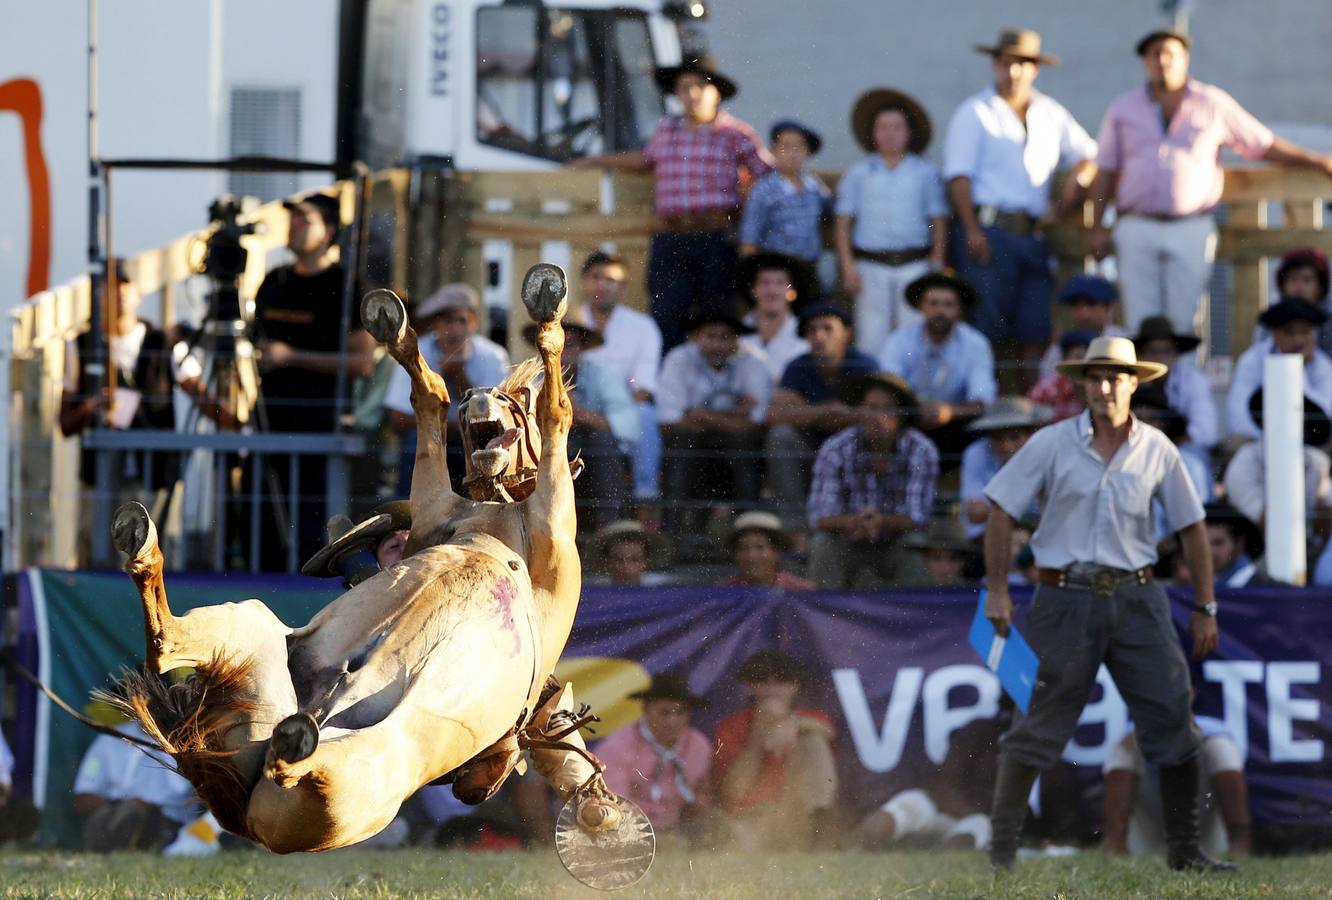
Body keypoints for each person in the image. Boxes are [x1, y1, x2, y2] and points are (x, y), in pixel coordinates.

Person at [981, 335, 1227, 873]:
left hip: (1138, 595)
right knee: (1036, 723)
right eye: (1095, 377)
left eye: (1117, 376)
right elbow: (1000, 507)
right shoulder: (1050, 441)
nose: (1105, 386)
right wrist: (997, 588)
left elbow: (1193, 528)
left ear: (1134, 383)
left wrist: (1205, 606)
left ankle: (1185, 851)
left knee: (1172, 716)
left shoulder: (1158, 448)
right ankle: (1000, 853)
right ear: (1083, 383)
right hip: (1062, 594)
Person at [1089, 29, 1332, 336]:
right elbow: (1104, 171)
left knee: (1187, 322)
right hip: (1137, 223)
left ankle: (1183, 385)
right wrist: (1098, 227)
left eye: (1170, 53)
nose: (1163, 61)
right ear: (1145, 62)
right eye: (1155, 54)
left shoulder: (1212, 102)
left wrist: (1315, 159)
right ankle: (1143, 385)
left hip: (1191, 224)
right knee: (1139, 320)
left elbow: (1261, 144)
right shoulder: (1123, 108)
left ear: (1185, 59)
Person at [573, 55, 772, 351]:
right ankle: (668, 387)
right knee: (666, 312)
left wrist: (745, 209)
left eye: (699, 87)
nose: (691, 94)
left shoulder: (735, 133)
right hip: (671, 234)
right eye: (684, 87)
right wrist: (596, 160)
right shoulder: (667, 128)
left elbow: (767, 175)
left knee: (716, 313)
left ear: (715, 93)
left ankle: (715, 390)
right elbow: (645, 159)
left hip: (715, 234)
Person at [943, 29, 1098, 389]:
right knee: (987, 326)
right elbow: (959, 177)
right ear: (996, 65)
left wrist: (1069, 196)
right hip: (990, 231)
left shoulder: (1050, 112)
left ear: (1035, 69)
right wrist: (970, 228)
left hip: (1033, 235)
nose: (1013, 72)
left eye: (1022, 64)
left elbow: (1088, 155)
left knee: (1035, 328)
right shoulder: (975, 112)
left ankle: (1030, 407)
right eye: (1007, 63)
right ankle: (991, 407)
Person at [248, 193, 376, 570]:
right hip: (269, 421)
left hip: (318, 423)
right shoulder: (274, 281)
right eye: (293, 220)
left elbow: (362, 362)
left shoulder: (347, 284)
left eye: (305, 220)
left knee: (310, 523)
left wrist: (292, 357)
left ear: (329, 231)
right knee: (263, 519)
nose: (295, 227)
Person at [59, 258, 178, 564]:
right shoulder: (81, 346)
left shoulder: (160, 342)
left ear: (138, 292)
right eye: (110, 287)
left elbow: (194, 388)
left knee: (149, 561)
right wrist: (91, 407)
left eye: (126, 285)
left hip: (149, 474)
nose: (119, 293)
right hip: (98, 477)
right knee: (95, 555)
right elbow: (66, 422)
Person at [858, 698, 1090, 854]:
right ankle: (862, 842)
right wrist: (983, 804)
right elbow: (942, 786)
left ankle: (943, 858)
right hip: (939, 812)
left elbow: (1066, 828)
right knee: (910, 805)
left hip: (981, 825)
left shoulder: (1054, 767)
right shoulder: (981, 731)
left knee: (981, 828)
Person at [835, 88, 947, 353]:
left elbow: (938, 220)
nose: (890, 134)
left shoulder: (924, 173)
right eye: (883, 127)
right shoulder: (859, 174)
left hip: (914, 264)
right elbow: (843, 223)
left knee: (914, 336)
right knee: (871, 338)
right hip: (871, 265)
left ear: (908, 133)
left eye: (897, 127)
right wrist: (848, 266)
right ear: (874, 134)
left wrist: (937, 263)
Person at [806, 372, 938, 590]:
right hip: (849, 539)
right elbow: (819, 515)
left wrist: (881, 521)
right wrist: (854, 521)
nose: (877, 416)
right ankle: (824, 618)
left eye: (886, 409)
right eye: (871, 407)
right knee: (822, 543)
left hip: (896, 543)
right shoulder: (836, 448)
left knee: (916, 543)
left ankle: (913, 617)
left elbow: (919, 517)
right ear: (859, 411)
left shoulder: (921, 451)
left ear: (902, 416)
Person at [383, 283, 510, 493]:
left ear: (474, 322)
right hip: (429, 441)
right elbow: (397, 419)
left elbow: (500, 423)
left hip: (474, 445)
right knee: (416, 441)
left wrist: (460, 379)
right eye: (447, 321)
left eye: (462, 321)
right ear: (436, 324)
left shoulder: (493, 357)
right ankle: (410, 512)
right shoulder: (415, 353)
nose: (455, 330)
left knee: (487, 447)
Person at [656, 305, 771, 533]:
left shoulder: (753, 362)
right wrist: (732, 417)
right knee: (682, 440)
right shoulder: (678, 359)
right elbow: (668, 422)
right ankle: (673, 534)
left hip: (737, 449)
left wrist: (700, 415)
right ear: (697, 337)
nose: (718, 345)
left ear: (736, 339)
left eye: (725, 338)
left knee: (743, 442)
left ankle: (749, 532)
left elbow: (758, 423)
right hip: (693, 446)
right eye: (710, 336)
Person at [764, 302, 877, 528]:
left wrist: (803, 409)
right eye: (812, 330)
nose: (819, 336)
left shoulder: (865, 365)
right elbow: (774, 414)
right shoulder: (797, 366)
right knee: (780, 435)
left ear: (846, 333)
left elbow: (874, 414)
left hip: (854, 448)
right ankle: (794, 527)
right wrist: (828, 410)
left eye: (827, 328)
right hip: (810, 446)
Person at [712, 650, 837, 851]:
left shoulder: (810, 717)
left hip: (798, 819)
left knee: (813, 739)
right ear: (751, 686)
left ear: (795, 686)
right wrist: (759, 733)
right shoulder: (731, 726)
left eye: (782, 681)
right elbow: (734, 793)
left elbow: (828, 731)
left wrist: (794, 723)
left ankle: (820, 832)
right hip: (753, 822)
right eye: (762, 681)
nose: (772, 690)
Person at [572, 251, 665, 509]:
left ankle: (646, 499)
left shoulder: (642, 326)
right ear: (584, 282)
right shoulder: (569, 322)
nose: (602, 285)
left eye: (610, 279)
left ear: (623, 286)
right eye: (595, 277)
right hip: (573, 409)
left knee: (644, 415)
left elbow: (644, 388)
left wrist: (611, 416)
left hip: (623, 409)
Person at [524, 319, 637, 529]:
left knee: (602, 441)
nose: (562, 351)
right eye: (556, 343)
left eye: (570, 344)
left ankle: (608, 527)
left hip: (589, 452)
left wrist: (580, 416)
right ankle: (535, 528)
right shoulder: (529, 376)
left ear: (582, 348)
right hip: (543, 451)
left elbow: (628, 425)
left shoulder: (602, 375)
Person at [877, 270, 998, 460]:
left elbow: (982, 400)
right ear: (921, 306)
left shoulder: (976, 344)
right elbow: (888, 388)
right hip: (908, 421)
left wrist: (948, 412)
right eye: (933, 303)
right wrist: (916, 412)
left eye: (948, 304)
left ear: (959, 310)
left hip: (954, 423)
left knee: (981, 431)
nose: (940, 311)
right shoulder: (899, 341)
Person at [1103, 715, 1252, 858]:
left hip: (1205, 829)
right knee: (1125, 748)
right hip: (1147, 829)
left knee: (1220, 746)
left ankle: (1240, 843)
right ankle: (1115, 842)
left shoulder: (1212, 730)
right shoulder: (1134, 732)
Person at [595, 672, 712, 837]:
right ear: (646, 709)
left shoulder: (699, 746)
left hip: (680, 830)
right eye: (665, 712)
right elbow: (610, 807)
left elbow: (703, 796)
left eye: (680, 713)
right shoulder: (617, 747)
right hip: (628, 832)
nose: (672, 721)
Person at [74, 719, 200, 853]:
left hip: (171, 824)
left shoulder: (190, 741)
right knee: (116, 816)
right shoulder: (109, 739)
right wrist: (120, 808)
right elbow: (83, 796)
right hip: (116, 813)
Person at [1222, 391, 1332, 531]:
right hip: (1261, 547)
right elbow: (1269, 524)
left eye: (1297, 415)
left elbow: (1325, 520)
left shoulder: (1317, 461)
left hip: (1311, 548)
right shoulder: (1245, 463)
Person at [1226, 299, 1332, 439]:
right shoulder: (1253, 360)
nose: (1299, 340)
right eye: (1291, 332)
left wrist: (1297, 370)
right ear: (1276, 333)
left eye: (1305, 332)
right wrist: (1273, 441)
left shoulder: (1322, 364)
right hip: (1259, 442)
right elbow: (1238, 417)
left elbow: (1324, 416)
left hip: (1308, 445)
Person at [738, 120, 830, 265]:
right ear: (774, 150)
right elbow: (750, 236)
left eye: (799, 147)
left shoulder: (814, 187)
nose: (793, 154)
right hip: (777, 269)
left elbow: (830, 209)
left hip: (809, 265)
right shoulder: (764, 189)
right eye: (786, 147)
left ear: (808, 152)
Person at [1132, 317, 1217, 473]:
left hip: (1182, 450)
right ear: (1140, 355)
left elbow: (1205, 431)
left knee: (1190, 465)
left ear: (1176, 354)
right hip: (1134, 449)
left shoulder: (1193, 380)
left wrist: (1165, 447)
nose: (1160, 358)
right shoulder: (1128, 382)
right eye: (1152, 351)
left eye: (1166, 351)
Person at [959, 398, 1051, 540]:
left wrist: (999, 513)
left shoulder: (1047, 453)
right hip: (987, 537)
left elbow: (1054, 514)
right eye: (998, 439)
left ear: (1031, 435)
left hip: (1040, 536)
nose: (1006, 446)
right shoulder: (976, 453)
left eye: (1014, 437)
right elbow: (975, 512)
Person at [736, 252, 813, 384]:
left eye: (780, 283)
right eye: (765, 283)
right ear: (753, 290)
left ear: (792, 292)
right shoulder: (735, 334)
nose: (772, 290)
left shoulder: (806, 336)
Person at [1037, 275, 1127, 378]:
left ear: (1107, 306)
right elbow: (1047, 380)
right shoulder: (1060, 347)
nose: (1083, 313)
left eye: (1090, 304)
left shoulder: (1126, 341)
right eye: (1075, 305)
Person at [1253, 248, 1332, 354]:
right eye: (1293, 279)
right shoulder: (1271, 320)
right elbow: (1259, 356)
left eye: (1307, 280)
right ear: (1282, 284)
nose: (1299, 288)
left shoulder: (1329, 321)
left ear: (1320, 287)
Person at [717, 511, 815, 590]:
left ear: (777, 551)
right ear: (736, 554)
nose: (751, 556)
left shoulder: (800, 591)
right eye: (744, 548)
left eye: (760, 547)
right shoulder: (724, 592)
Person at [1028, 330, 1094, 422]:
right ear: (1064, 359)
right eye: (1078, 357)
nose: (1083, 362)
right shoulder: (1046, 390)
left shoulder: (1101, 388)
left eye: (1088, 358)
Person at [587, 519, 672, 587]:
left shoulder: (660, 590)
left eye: (635, 559)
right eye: (619, 559)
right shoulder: (593, 591)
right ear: (606, 561)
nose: (626, 568)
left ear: (645, 561)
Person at [903, 517, 978, 587]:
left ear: (963, 562)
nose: (945, 568)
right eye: (936, 558)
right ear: (925, 560)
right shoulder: (909, 594)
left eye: (953, 559)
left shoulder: (975, 595)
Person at [1204, 502, 1261, 588]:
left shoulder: (1263, 587)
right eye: (1203, 545)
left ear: (1239, 544)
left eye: (1218, 543)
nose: (1210, 551)